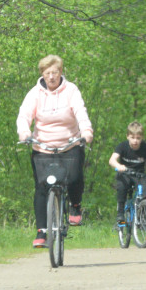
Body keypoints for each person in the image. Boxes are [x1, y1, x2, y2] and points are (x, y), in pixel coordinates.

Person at [16, 55, 94, 248]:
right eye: (48, 73)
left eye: (55, 72)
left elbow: (80, 112)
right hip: (43, 147)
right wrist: (24, 132)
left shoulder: (71, 90)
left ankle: (75, 206)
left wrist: (86, 131)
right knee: (42, 187)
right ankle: (42, 231)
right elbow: (24, 115)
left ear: (61, 72)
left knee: (75, 178)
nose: (52, 77)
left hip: (70, 145)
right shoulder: (35, 93)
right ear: (42, 74)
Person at [108, 121, 146, 226]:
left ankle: (143, 217)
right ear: (128, 136)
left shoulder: (145, 147)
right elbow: (112, 160)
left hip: (139, 174)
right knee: (121, 187)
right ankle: (120, 213)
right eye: (132, 137)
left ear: (142, 138)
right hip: (125, 173)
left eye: (138, 138)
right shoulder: (122, 146)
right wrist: (119, 166)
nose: (135, 141)